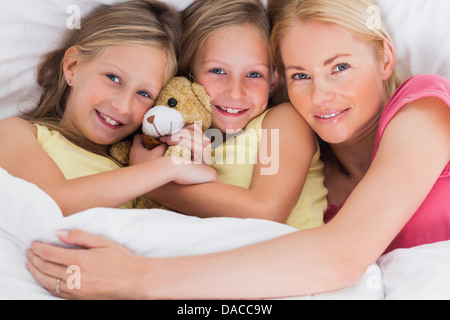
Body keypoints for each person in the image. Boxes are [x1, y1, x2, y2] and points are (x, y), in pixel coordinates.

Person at [26, 0, 449, 299]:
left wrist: (140, 277)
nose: (321, 95)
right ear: (283, 82)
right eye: (301, 75)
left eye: (340, 67)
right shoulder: (318, 175)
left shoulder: (424, 108)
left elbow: (339, 256)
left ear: (386, 59)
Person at [0, 0, 217, 217]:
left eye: (144, 94)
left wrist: (200, 163)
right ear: (73, 67)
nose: (122, 106)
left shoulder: (141, 166)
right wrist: (170, 168)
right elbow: (52, 202)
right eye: (113, 78)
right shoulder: (17, 132)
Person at [135, 0, 327, 230]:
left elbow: (265, 211)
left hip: (295, 261)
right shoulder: (184, 135)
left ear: (273, 81)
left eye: (254, 74)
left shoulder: (282, 121)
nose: (236, 92)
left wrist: (148, 180)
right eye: (217, 71)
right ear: (188, 72)